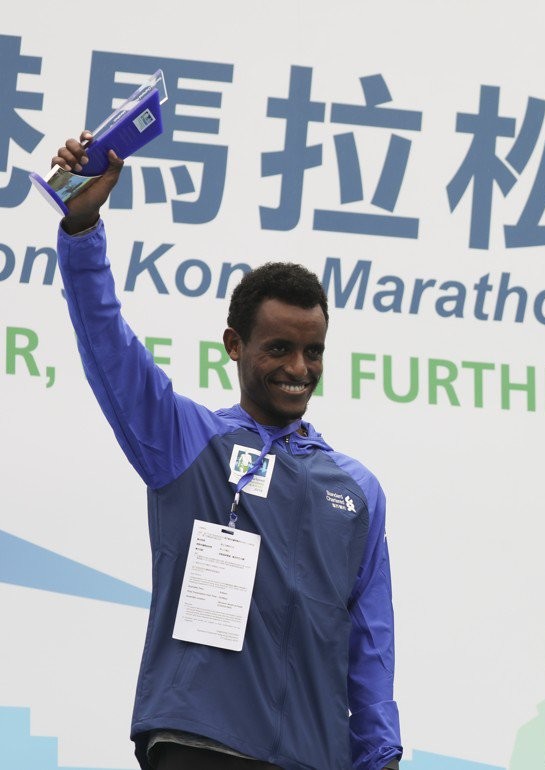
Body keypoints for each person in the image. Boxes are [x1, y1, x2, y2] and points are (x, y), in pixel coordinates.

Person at [50, 135, 402, 770]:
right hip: (199, 741)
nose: (299, 368)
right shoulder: (186, 440)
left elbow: (370, 642)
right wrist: (82, 230)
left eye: (314, 351)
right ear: (235, 345)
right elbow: (107, 342)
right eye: (279, 349)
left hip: (314, 755)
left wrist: (380, 755)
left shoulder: (357, 489)